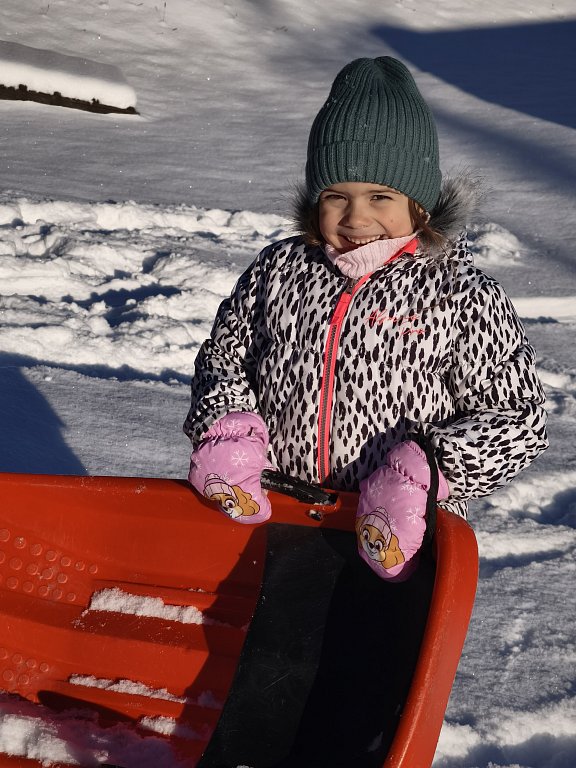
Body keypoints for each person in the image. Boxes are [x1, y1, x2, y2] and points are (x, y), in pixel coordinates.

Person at [183, 56, 548, 580]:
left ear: (420, 205)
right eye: (337, 196)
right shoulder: (278, 270)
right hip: (280, 515)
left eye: (380, 196)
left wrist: (424, 470)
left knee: (374, 632)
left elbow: (518, 418)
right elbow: (225, 357)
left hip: (397, 531)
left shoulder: (460, 294)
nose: (356, 218)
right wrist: (227, 431)